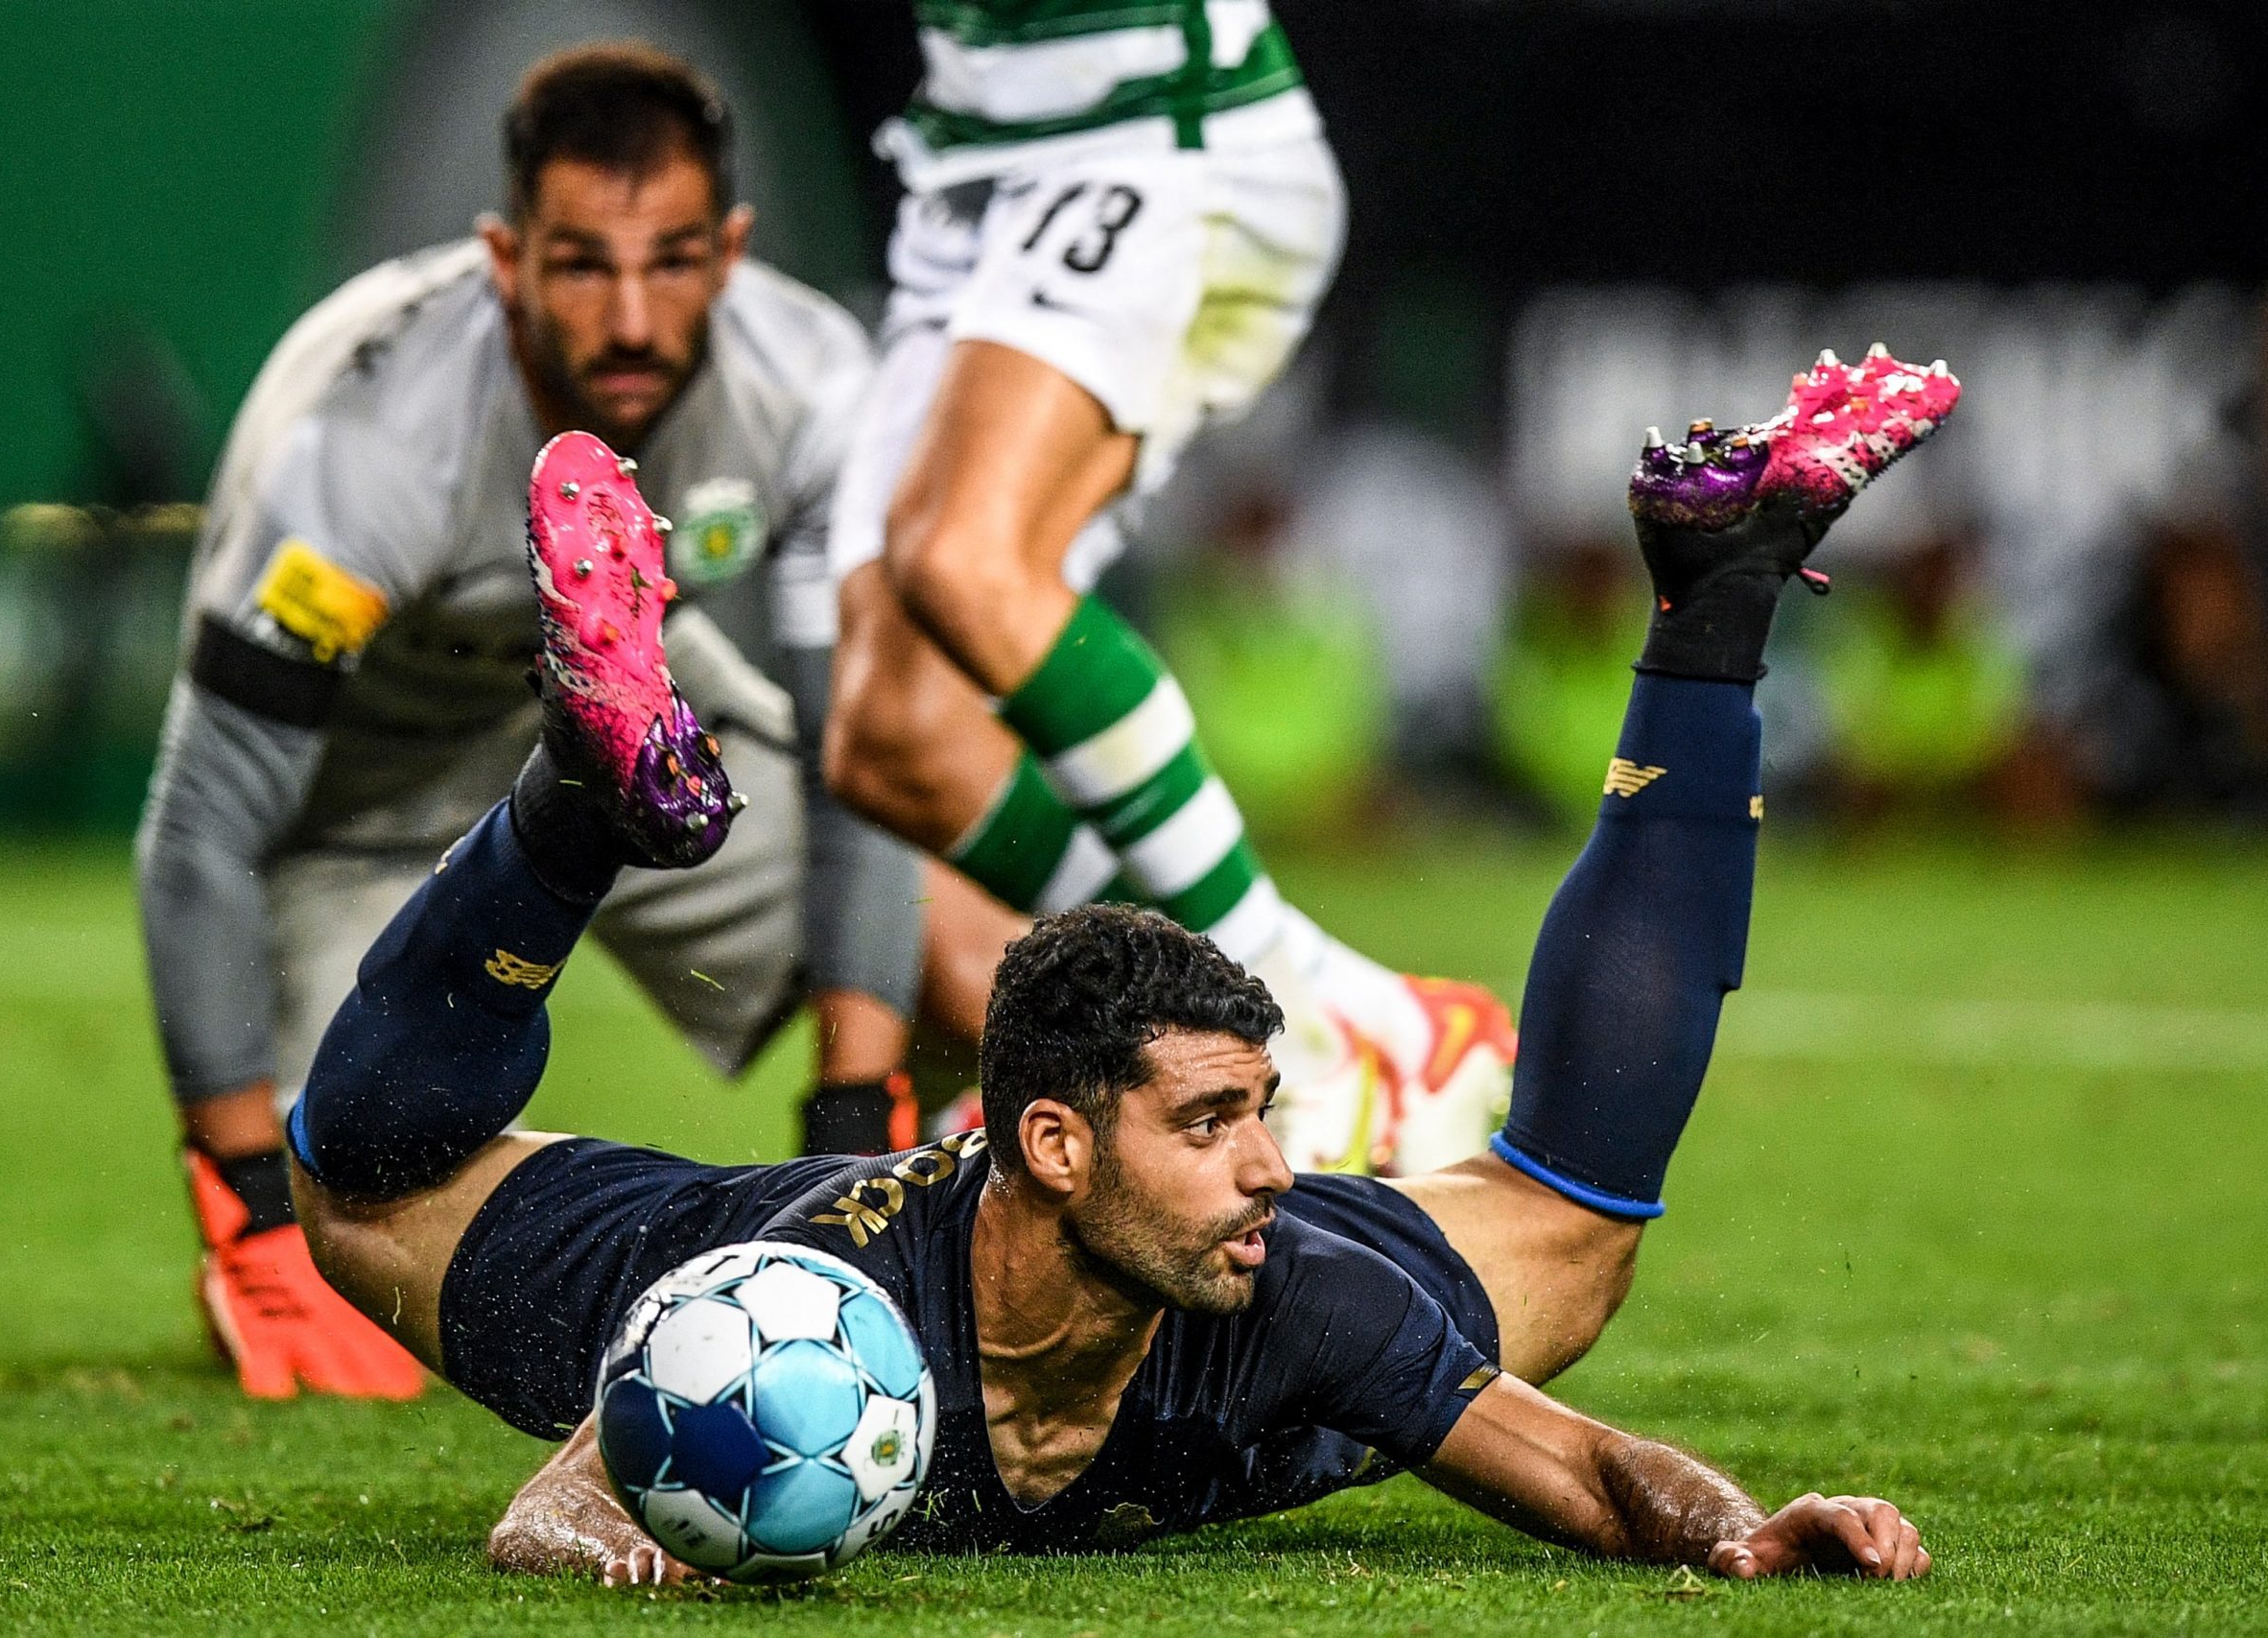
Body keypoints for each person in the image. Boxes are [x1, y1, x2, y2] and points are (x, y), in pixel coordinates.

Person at [285, 348, 1955, 1579]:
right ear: (1056, 1142)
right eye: (1216, 1119)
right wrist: (613, 1531)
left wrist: (1751, 1534)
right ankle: (581, 804)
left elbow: (1592, 1476)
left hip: (1099, 1292)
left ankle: (1717, 603)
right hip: (637, 1262)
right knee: (353, 1171)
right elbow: (552, 1511)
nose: (1275, 1165)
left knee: (1580, 1243)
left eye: (1262, 1110)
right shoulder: (828, 1302)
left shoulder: (1292, 1268)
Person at [134, 43, 1010, 1402]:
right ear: (504, 258)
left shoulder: (812, 381)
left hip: (638, 727)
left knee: (969, 961)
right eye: (583, 265)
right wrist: (249, 1202)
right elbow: (202, 826)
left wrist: (854, 1122)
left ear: (730, 249)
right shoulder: (369, 441)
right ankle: (297, 1215)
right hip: (361, 818)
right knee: (363, 1201)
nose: (632, 318)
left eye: (670, 261)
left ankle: (1037, 1211)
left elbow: (857, 770)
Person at [815, 1, 1510, 1175]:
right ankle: (1376, 1022)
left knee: (966, 562)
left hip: (1163, 139)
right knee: (891, 737)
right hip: (977, 175)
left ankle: (1283, 1038)